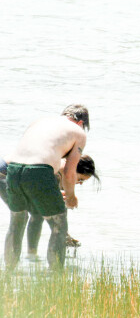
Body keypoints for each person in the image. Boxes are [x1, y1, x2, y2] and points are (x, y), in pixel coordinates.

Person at [3, 104, 89, 270]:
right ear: (81, 122)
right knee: (59, 224)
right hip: (39, 171)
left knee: (17, 221)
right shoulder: (78, 132)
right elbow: (70, 173)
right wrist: (71, 197)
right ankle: (56, 278)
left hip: (12, 170)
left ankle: (8, 275)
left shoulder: (40, 121)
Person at [0, 155, 99, 257]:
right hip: (4, 172)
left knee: (35, 214)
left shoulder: (61, 173)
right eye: (80, 179)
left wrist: (65, 233)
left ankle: (31, 255)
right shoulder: (57, 170)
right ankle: (13, 262)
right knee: (21, 216)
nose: (80, 183)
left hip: (18, 175)